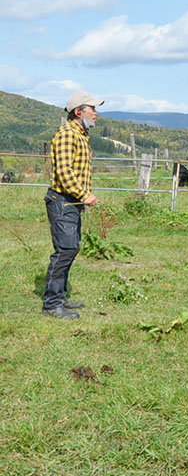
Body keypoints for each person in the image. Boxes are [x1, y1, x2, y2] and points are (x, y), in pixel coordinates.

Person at [42, 91, 103, 319]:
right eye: (92, 109)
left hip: (71, 201)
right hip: (63, 201)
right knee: (66, 249)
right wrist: (84, 194)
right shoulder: (68, 135)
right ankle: (52, 303)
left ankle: (60, 296)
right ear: (79, 112)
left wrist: (81, 199)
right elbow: (64, 172)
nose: (96, 114)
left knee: (71, 248)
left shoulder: (80, 134)